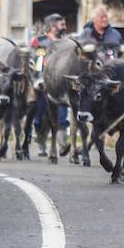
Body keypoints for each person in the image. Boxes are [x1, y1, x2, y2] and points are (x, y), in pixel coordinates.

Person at [30, 14, 70, 153]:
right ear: (52, 27)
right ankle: (41, 141)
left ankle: (63, 143)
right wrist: (38, 77)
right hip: (44, 82)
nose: (64, 27)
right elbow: (37, 61)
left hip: (60, 83)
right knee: (41, 112)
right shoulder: (40, 41)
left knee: (62, 112)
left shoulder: (66, 42)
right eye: (61, 24)